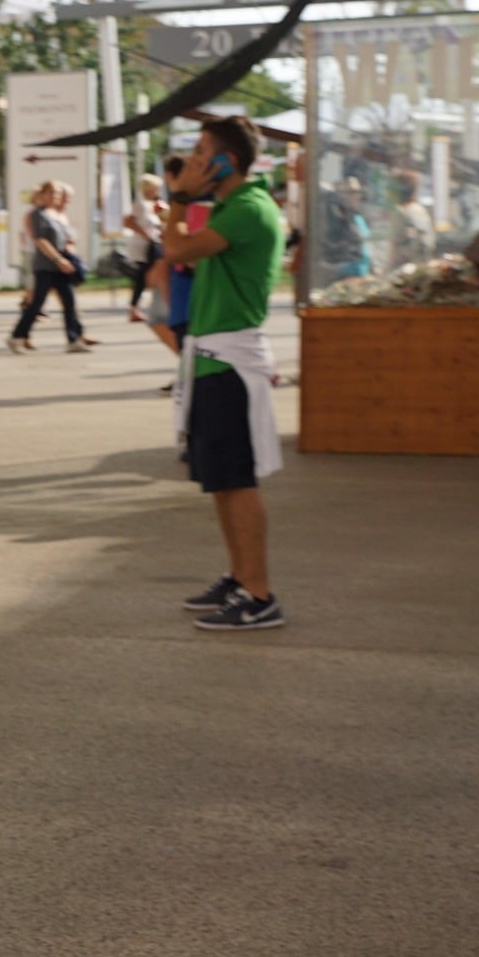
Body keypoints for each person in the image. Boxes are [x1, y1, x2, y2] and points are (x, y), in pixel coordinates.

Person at [165, 116, 286, 631]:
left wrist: (178, 197)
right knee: (220, 480)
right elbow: (187, 261)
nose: (193, 161)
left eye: (201, 152)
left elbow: (175, 251)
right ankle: (239, 577)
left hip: (230, 363)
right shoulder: (231, 207)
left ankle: (260, 596)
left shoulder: (250, 208)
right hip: (212, 358)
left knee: (237, 481)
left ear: (226, 160)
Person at [7, 181, 90, 354]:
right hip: (46, 266)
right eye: (51, 192)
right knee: (36, 304)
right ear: (42, 194)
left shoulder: (55, 215)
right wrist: (58, 259)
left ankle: (73, 339)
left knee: (69, 302)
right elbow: (41, 240)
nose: (55, 196)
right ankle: (16, 337)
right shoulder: (38, 214)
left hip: (60, 268)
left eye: (57, 193)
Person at [123, 173, 165, 323]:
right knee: (144, 276)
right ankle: (135, 308)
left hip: (153, 243)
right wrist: (145, 233)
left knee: (148, 275)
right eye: (156, 188)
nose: (158, 191)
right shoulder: (140, 204)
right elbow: (128, 222)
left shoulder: (152, 204)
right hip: (143, 245)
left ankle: (137, 307)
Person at [391, 169, 436, 269]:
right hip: (423, 266)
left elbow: (394, 249)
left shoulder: (401, 212)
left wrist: (384, 274)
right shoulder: (421, 211)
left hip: (405, 269)